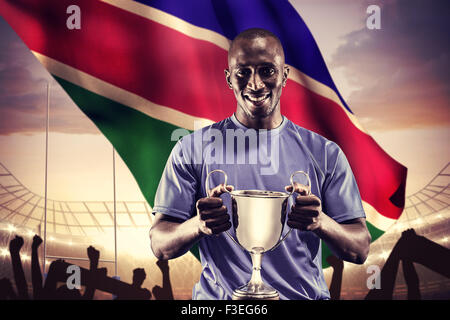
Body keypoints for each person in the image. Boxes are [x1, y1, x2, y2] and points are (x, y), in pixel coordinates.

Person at [149, 28, 371, 300]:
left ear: (285, 75)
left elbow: (359, 249)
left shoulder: (325, 153)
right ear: (229, 78)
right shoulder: (192, 149)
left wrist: (322, 222)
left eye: (267, 71)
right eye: (243, 72)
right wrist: (198, 225)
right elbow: (160, 244)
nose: (255, 84)